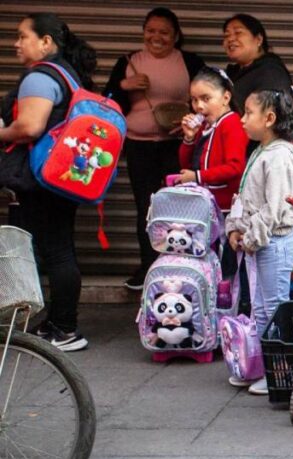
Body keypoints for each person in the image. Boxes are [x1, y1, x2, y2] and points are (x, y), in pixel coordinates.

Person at [0, 13, 97, 351]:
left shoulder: (40, 78)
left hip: (41, 179)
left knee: (55, 251)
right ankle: (58, 323)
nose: (15, 43)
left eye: (22, 36)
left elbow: (29, 127)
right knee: (58, 248)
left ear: (46, 42)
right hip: (60, 176)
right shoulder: (65, 74)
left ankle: (64, 328)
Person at [104, 7, 206, 291]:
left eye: (164, 32)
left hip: (178, 146)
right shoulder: (128, 61)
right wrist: (125, 85)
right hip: (139, 146)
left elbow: (209, 100)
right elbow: (107, 100)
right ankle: (148, 266)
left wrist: (190, 121)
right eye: (151, 30)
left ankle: (181, 263)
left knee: (179, 205)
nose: (156, 36)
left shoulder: (190, 62)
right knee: (145, 207)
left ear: (175, 36)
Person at [225, 89, 293, 395]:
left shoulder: (281, 156)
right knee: (260, 307)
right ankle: (265, 367)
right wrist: (236, 228)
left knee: (274, 307)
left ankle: (282, 371)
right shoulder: (262, 151)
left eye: (248, 113)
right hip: (261, 243)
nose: (243, 120)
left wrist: (250, 236)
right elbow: (248, 198)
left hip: (275, 242)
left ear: (269, 119)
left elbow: (274, 209)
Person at [177, 68, 247, 211]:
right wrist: (189, 138)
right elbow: (187, 165)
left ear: (226, 98)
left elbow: (235, 167)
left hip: (225, 208)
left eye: (206, 99)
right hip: (205, 205)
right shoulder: (204, 126)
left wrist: (197, 177)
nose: (199, 106)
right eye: (194, 100)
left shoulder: (232, 123)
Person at [222, 14, 293, 127]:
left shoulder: (272, 73)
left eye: (238, 33)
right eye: (226, 35)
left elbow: (271, 117)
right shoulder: (231, 74)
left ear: (259, 39)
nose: (230, 39)